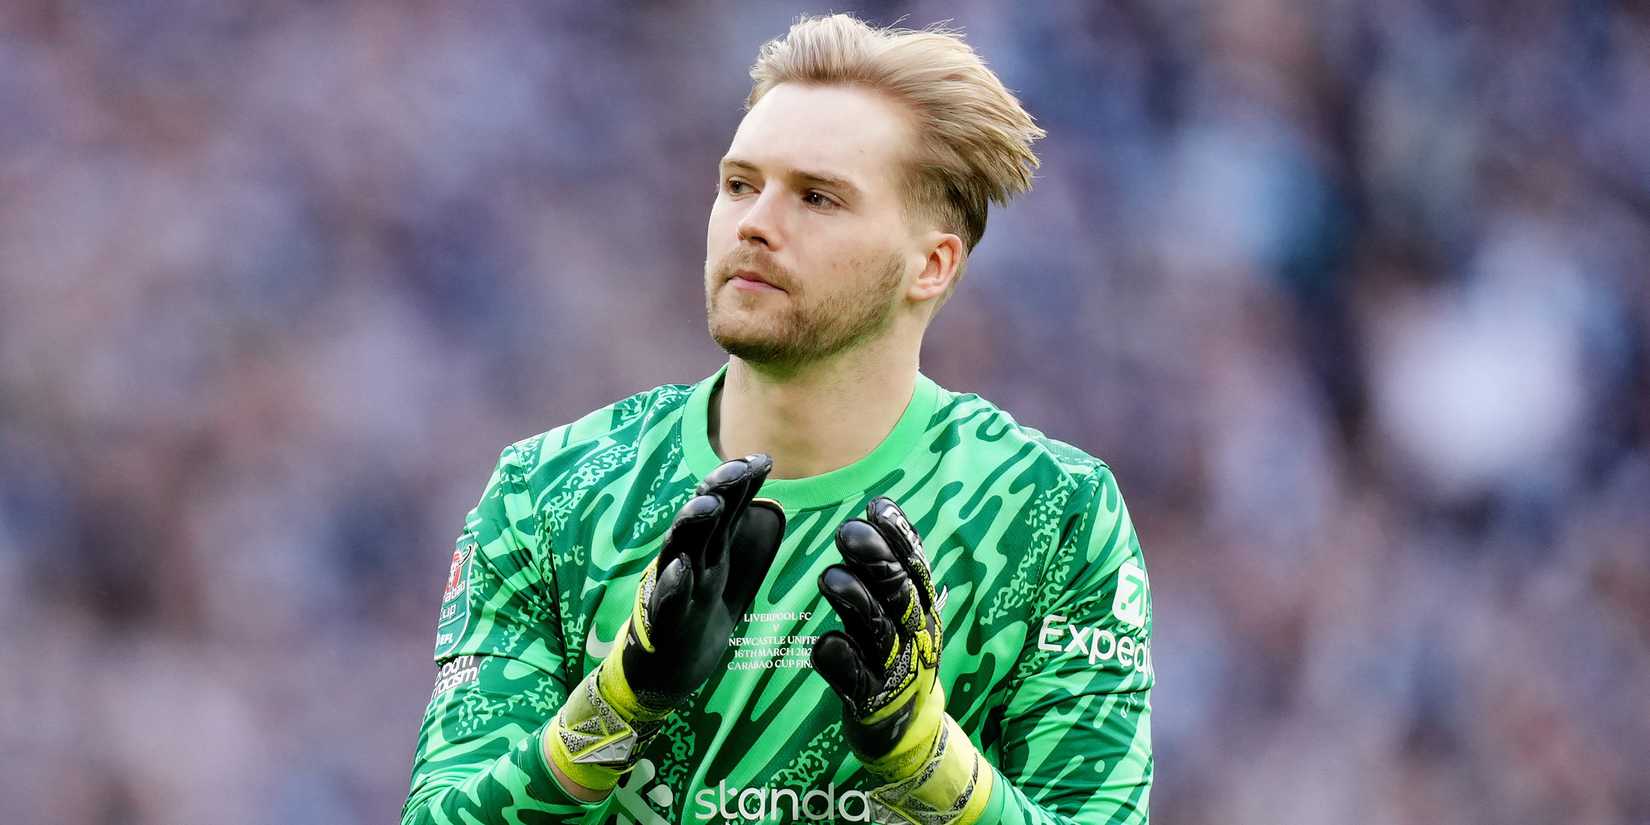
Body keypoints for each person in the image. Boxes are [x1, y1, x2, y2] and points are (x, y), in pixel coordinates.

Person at [402, 13, 1153, 825]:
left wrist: (922, 757)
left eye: (818, 197)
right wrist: (618, 700)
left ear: (931, 265)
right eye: (739, 183)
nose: (755, 221)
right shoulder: (548, 493)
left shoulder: (1054, 514)